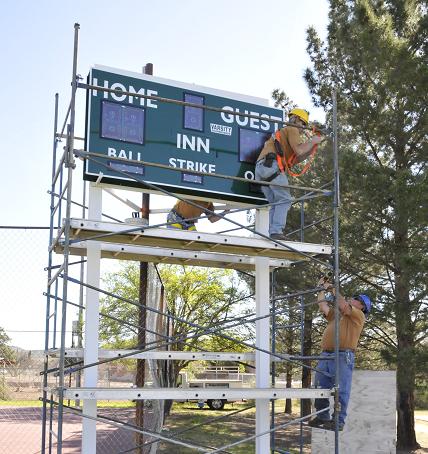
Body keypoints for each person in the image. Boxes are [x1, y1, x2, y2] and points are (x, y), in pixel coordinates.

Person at [308, 277, 372, 432]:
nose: (352, 299)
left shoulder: (358, 315)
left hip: (343, 355)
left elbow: (342, 304)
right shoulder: (339, 316)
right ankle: (323, 416)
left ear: (362, 306)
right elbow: (323, 307)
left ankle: (339, 420)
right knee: (320, 386)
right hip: (326, 355)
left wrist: (332, 288)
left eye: (355, 299)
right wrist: (321, 289)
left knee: (341, 389)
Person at [254, 108, 324, 240]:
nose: (303, 128)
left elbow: (297, 158)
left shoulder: (284, 134)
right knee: (285, 199)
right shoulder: (292, 129)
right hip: (271, 166)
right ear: (296, 119)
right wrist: (313, 141)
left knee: (276, 202)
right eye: (303, 124)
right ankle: (276, 231)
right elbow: (299, 150)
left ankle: (274, 232)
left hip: (262, 169)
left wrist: (312, 146)